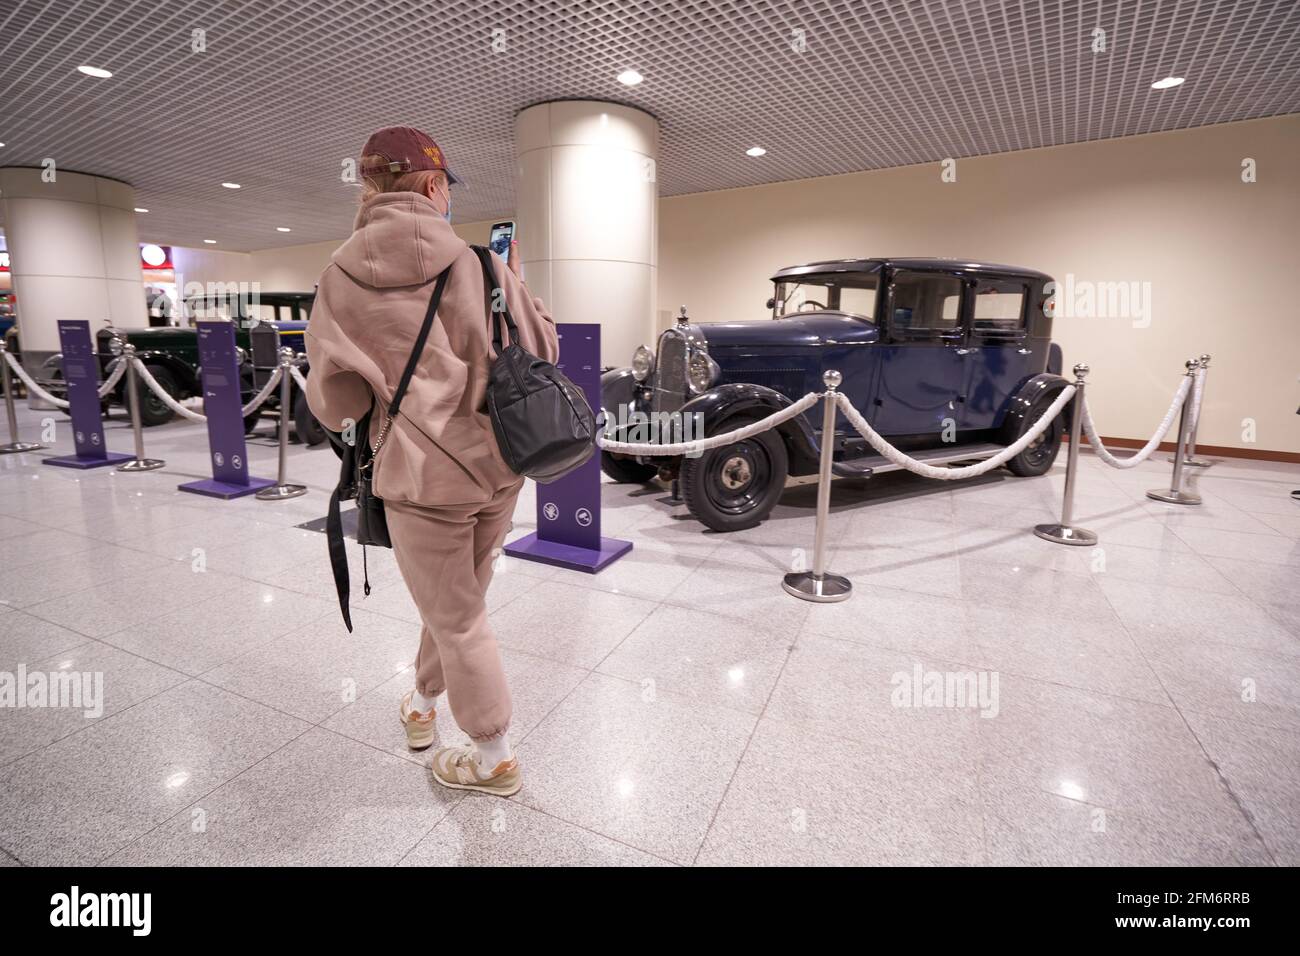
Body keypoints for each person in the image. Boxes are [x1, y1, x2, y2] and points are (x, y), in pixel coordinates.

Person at [305, 126, 558, 796]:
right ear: (434, 186)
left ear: (369, 188)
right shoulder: (481, 263)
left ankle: (493, 755)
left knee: (456, 613)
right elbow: (544, 348)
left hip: (420, 479)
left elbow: (337, 402)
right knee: (459, 603)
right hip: (500, 466)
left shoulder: (338, 276)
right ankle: (421, 705)